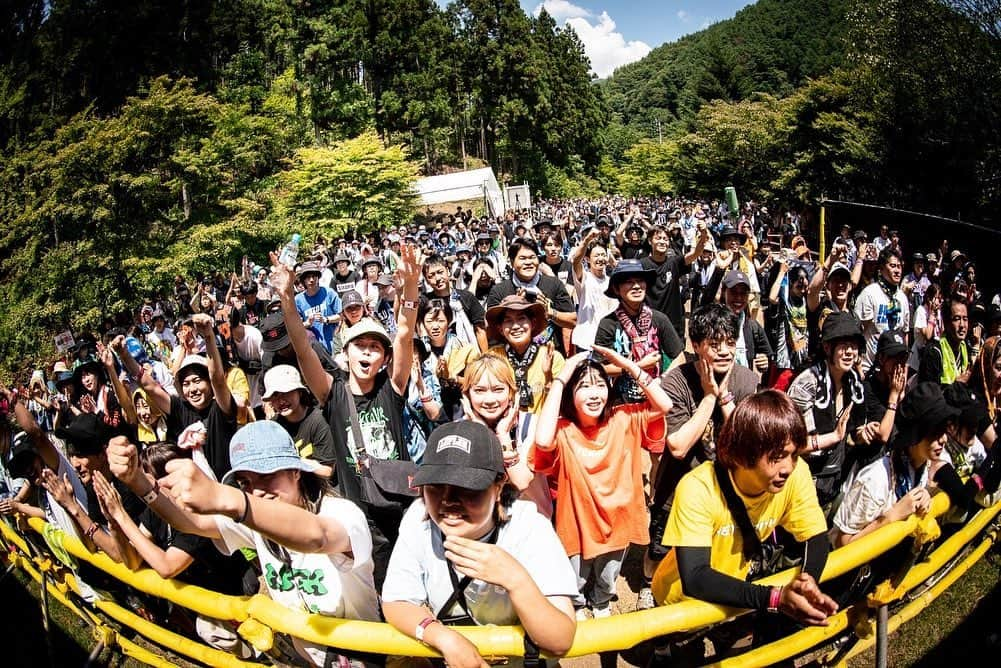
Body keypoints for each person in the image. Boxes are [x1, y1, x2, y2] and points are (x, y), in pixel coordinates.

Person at [106, 422, 381, 667]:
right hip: (310, 657)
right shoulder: (257, 524)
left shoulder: (341, 513)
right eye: (246, 482)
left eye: (268, 474)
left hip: (367, 658)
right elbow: (193, 524)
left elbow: (317, 536)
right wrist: (139, 482)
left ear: (296, 471)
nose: (257, 490)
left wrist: (231, 499)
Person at [650, 391, 837, 661]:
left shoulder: (796, 474)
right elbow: (695, 577)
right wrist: (774, 599)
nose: (788, 467)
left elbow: (816, 535)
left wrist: (807, 582)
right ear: (743, 452)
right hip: (679, 604)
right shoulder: (697, 488)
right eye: (777, 456)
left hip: (737, 599)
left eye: (794, 454)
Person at [381, 421, 580, 668]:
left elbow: (559, 639)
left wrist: (515, 579)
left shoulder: (529, 527)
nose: (448, 500)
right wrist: (442, 638)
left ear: (498, 487)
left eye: (467, 487)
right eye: (435, 486)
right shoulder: (419, 518)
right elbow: (397, 600)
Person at [532, 345, 674, 618]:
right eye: (584, 386)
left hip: (619, 521)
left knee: (608, 576)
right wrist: (561, 379)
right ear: (570, 395)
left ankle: (599, 602)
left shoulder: (624, 418)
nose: (594, 392)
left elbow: (664, 405)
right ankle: (579, 604)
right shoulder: (563, 431)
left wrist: (629, 366)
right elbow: (541, 440)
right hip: (577, 524)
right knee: (575, 578)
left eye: (600, 384)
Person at [637, 303, 760, 610]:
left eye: (730, 343)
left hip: (725, 491)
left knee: (711, 552)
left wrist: (725, 397)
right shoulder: (676, 381)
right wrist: (708, 395)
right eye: (714, 344)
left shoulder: (747, 382)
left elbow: (752, 444)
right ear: (696, 345)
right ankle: (647, 587)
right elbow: (677, 446)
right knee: (659, 548)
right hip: (676, 488)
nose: (724, 351)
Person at [115, 316, 239, 481]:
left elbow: (217, 378)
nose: (192, 389)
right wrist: (124, 355)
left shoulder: (221, 408)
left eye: (197, 381)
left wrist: (208, 336)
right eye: (186, 384)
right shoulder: (181, 409)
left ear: (209, 384)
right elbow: (149, 386)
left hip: (229, 490)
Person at [831, 383, 952, 547]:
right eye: (935, 432)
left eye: (944, 430)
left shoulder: (919, 468)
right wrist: (892, 516)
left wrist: (923, 496)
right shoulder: (875, 481)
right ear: (915, 437)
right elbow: (841, 543)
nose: (943, 439)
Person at [787, 313, 876, 512]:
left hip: (836, 478)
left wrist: (862, 434)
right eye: (843, 346)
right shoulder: (806, 383)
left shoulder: (854, 382)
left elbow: (851, 437)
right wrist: (834, 436)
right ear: (827, 347)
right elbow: (792, 444)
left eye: (853, 346)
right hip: (802, 479)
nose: (850, 352)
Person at [486, 238, 576, 356]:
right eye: (522, 258)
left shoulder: (554, 284)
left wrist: (550, 313)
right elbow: (491, 330)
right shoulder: (499, 291)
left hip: (550, 355)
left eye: (532, 257)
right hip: (512, 358)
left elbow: (573, 321)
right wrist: (513, 306)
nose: (528, 262)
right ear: (512, 263)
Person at [855, 248, 910, 374]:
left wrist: (905, 367)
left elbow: (905, 334)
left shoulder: (902, 298)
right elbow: (858, 333)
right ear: (881, 269)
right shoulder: (870, 294)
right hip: (870, 369)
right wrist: (859, 368)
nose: (897, 270)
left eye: (899, 267)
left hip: (895, 369)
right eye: (892, 266)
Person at [919, 297, 971, 385]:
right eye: (957, 319)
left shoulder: (965, 347)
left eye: (965, 319)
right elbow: (928, 394)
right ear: (946, 322)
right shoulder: (934, 352)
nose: (962, 325)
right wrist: (957, 384)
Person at [294, 260, 342, 354]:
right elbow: (295, 327)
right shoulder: (298, 300)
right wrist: (307, 323)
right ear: (303, 280)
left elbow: (341, 316)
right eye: (308, 277)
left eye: (314, 276)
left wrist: (326, 319)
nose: (311, 280)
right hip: (312, 349)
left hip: (332, 345)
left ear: (318, 277)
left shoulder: (329, 293)